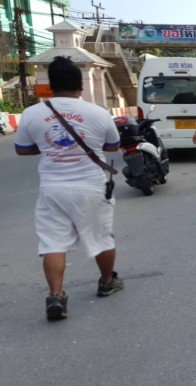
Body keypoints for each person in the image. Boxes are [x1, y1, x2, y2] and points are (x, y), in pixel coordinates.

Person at [15, 56, 124, 321]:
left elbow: (22, 148)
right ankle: (107, 281)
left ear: (51, 85)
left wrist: (50, 148)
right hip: (92, 187)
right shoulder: (99, 113)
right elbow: (113, 146)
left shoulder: (32, 114)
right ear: (81, 85)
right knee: (101, 237)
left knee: (52, 243)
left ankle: (56, 295)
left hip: (53, 188)